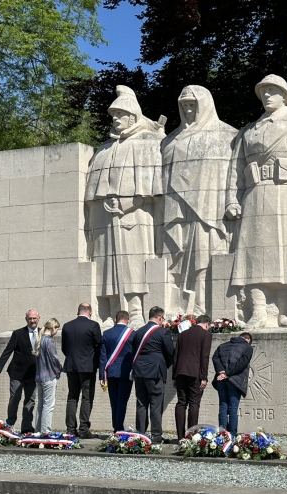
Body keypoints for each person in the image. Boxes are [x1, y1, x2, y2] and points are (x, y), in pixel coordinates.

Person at [225, 74, 287, 327]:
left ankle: (285, 311)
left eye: (272, 90)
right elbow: (235, 170)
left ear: (285, 95)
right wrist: (232, 200)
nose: (267, 95)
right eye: (263, 91)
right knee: (253, 254)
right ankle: (258, 310)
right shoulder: (248, 131)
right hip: (255, 194)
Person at [85, 85, 165, 327]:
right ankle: (111, 312)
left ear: (133, 116)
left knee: (134, 265)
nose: (116, 119)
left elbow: (153, 184)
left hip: (135, 215)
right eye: (113, 115)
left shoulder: (147, 142)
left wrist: (130, 202)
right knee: (106, 265)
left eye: (121, 114)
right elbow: (93, 188)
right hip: (105, 217)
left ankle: (136, 311)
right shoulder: (105, 149)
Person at [161, 85, 237, 316]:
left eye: (193, 104)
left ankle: (204, 307)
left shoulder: (227, 135)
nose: (189, 110)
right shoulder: (170, 140)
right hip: (178, 211)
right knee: (180, 259)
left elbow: (232, 173)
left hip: (209, 208)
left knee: (205, 257)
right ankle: (180, 308)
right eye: (184, 106)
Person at [0, 309, 39, 433]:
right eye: (30, 318)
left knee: (30, 400)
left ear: (38, 318)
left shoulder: (43, 333)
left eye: (34, 318)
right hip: (17, 373)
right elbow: (8, 350)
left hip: (33, 374)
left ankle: (27, 427)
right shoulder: (18, 333)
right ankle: (9, 425)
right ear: (26, 319)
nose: (32, 321)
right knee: (14, 399)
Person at [130, 306, 174, 442]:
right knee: (155, 403)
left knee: (141, 403)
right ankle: (156, 435)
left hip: (139, 371)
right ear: (160, 317)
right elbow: (170, 353)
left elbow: (134, 351)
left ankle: (141, 434)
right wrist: (164, 365)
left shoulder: (138, 332)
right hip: (155, 372)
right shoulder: (162, 332)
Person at [62, 303, 103, 439]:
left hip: (71, 365)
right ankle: (84, 429)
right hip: (87, 366)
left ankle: (70, 429)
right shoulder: (93, 326)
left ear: (77, 311)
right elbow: (98, 347)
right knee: (86, 397)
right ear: (90, 312)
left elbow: (64, 347)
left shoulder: (67, 326)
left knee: (72, 397)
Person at [172, 314, 213, 438]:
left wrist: (174, 376)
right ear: (207, 324)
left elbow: (176, 355)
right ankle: (190, 436)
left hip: (180, 372)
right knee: (194, 403)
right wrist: (204, 377)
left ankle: (180, 437)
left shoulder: (183, 334)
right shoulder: (206, 334)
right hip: (195, 373)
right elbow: (204, 356)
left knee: (181, 403)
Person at [99, 310, 135, 432]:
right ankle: (118, 427)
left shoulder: (107, 333)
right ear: (128, 320)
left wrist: (102, 376)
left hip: (110, 372)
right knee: (122, 401)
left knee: (113, 401)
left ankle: (116, 427)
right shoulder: (132, 334)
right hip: (126, 372)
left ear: (115, 319)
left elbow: (102, 357)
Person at [212, 332, 253, 436]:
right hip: (235, 381)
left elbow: (215, 358)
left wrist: (221, 372)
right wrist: (227, 373)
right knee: (233, 409)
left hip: (221, 380)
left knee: (223, 406)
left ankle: (222, 434)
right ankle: (232, 435)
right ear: (247, 340)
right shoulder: (247, 347)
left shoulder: (222, 345)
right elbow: (242, 363)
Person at [32, 318, 62, 434]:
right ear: (53, 328)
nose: (56, 331)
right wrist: (59, 370)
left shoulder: (39, 339)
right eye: (57, 329)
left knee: (41, 405)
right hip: (49, 376)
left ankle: (38, 430)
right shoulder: (49, 341)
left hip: (39, 376)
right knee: (48, 405)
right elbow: (54, 358)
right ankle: (45, 431)